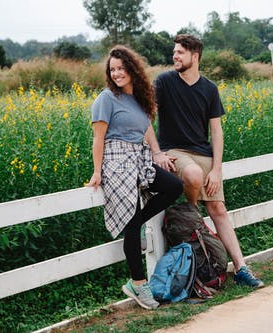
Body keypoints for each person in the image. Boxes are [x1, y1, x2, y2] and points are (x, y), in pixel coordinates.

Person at [153, 34, 264, 288]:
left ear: (195, 56)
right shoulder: (164, 82)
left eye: (180, 52)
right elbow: (146, 116)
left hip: (204, 154)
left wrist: (216, 169)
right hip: (176, 152)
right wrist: (156, 152)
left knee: (219, 210)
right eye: (174, 52)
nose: (175, 56)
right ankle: (194, 216)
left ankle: (241, 268)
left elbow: (216, 132)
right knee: (191, 174)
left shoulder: (209, 89)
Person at [86, 45, 183, 309]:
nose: (117, 73)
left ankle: (135, 220)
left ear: (132, 69)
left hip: (138, 157)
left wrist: (157, 152)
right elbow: (98, 139)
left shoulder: (140, 98)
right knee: (131, 224)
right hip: (116, 160)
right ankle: (138, 284)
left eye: (121, 68)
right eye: (112, 69)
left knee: (173, 186)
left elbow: (147, 126)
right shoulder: (106, 99)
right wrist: (97, 172)